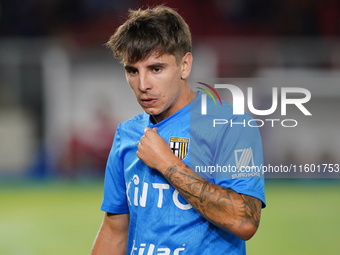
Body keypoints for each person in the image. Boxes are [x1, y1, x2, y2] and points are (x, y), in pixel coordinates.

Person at [91, 5, 265, 255]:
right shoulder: (127, 134)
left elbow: (246, 220)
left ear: (185, 65)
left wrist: (167, 163)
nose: (142, 85)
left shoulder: (230, 125)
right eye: (132, 71)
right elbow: (114, 230)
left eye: (156, 69)